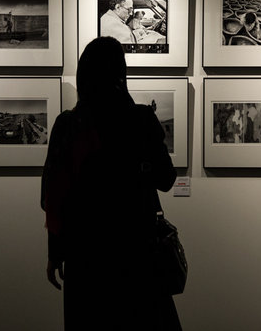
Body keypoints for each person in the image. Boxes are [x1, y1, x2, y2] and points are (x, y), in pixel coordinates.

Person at [41, 37, 181, 330]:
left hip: (85, 258)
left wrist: (55, 253)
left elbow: (53, 197)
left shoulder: (68, 125)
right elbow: (166, 180)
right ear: (121, 71)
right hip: (137, 254)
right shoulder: (141, 119)